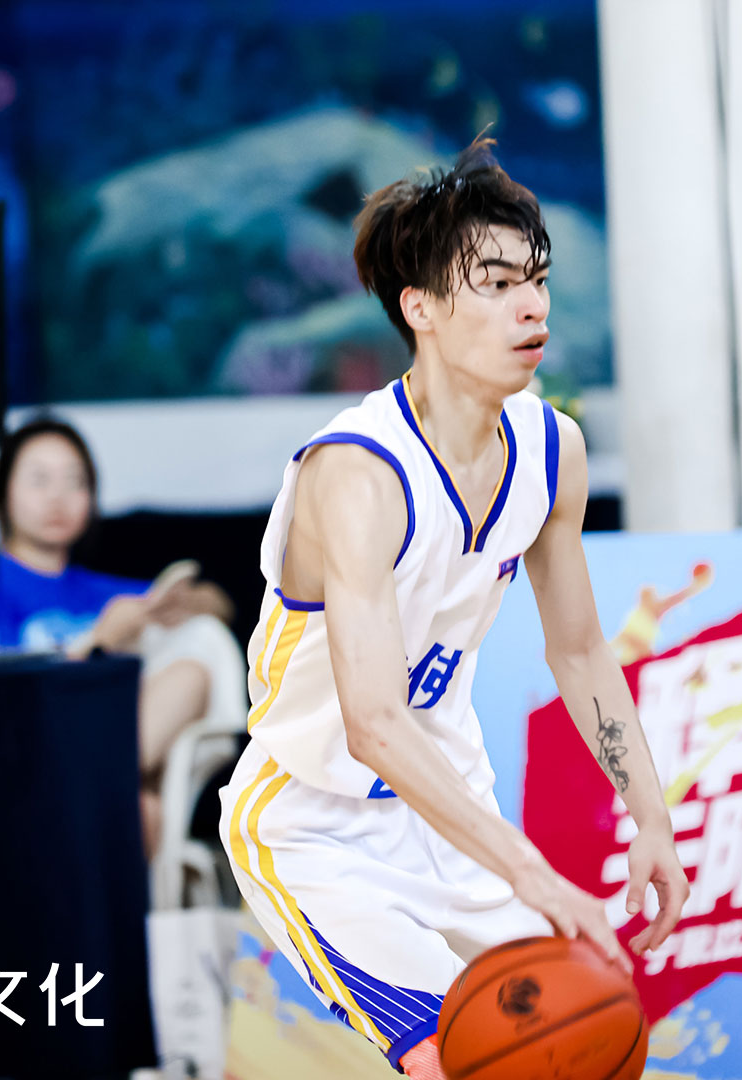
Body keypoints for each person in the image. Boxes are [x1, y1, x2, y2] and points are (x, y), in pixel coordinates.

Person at [220, 139, 688, 1078]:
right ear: (421, 308)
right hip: (314, 823)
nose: (533, 306)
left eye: (538, 280)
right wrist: (535, 873)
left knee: (580, 1049)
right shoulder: (356, 474)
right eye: (499, 284)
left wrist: (652, 819)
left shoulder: (553, 451)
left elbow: (581, 652)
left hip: (451, 812)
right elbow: (374, 725)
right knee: (455, 1061)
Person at [0, 416, 243, 854]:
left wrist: (186, 602)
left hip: (108, 768)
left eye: (74, 482)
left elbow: (220, 604)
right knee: (137, 810)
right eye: (39, 480)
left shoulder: (99, 588)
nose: (57, 498)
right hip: (30, 760)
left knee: (193, 669)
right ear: (2, 494)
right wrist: (99, 641)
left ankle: (96, 785)